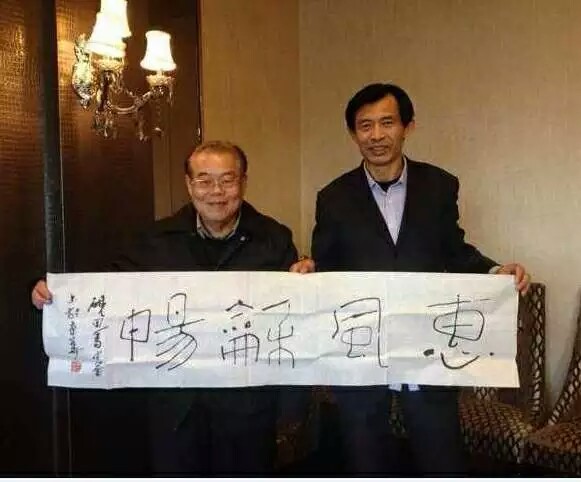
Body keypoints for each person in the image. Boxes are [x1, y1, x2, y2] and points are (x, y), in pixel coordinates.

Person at [32, 140, 311, 475]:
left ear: (244, 183)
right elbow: (108, 291)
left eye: (227, 180)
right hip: (176, 409)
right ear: (189, 185)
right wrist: (57, 296)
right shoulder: (156, 240)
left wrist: (307, 283)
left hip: (248, 409)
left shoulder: (274, 239)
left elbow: (294, 320)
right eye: (204, 180)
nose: (216, 191)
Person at [310, 83, 530, 474]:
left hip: (427, 349)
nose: (376, 135)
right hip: (362, 352)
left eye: (387, 123)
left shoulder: (439, 186)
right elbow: (327, 270)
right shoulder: (332, 197)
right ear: (353, 134)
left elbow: (453, 250)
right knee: (365, 460)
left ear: (408, 126)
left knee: (440, 458)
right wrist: (307, 272)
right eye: (365, 126)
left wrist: (495, 272)